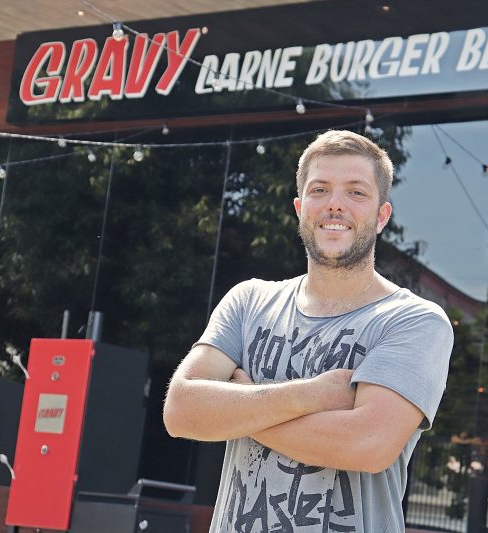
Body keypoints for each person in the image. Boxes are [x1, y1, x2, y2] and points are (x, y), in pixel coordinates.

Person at [163, 130, 454, 532]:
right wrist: (312, 395)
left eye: (356, 192)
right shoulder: (249, 302)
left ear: (381, 216)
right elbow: (181, 411)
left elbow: (366, 445)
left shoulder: (414, 321)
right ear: (301, 208)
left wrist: (239, 407)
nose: (335, 204)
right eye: (320, 189)